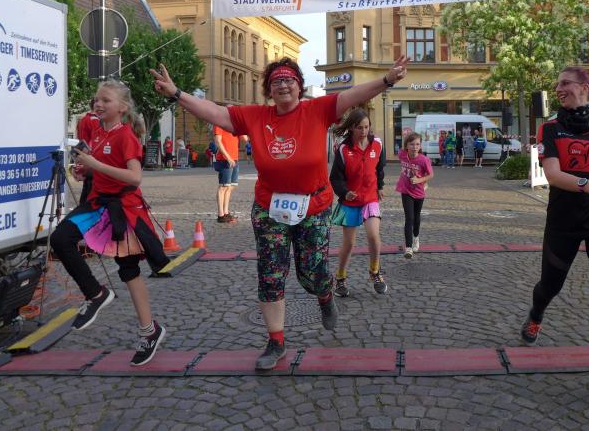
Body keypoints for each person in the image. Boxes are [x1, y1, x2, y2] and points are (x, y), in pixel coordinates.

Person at [152, 55, 409, 371]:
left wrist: (387, 80)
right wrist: (177, 94)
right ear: (269, 90)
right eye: (276, 81)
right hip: (270, 208)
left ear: (299, 86)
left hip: (313, 207)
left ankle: (325, 294)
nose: (283, 85)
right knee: (271, 274)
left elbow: (353, 95)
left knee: (311, 273)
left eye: (289, 80)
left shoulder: (317, 110)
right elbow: (216, 113)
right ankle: (276, 341)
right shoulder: (255, 116)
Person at [522, 67, 589, 411]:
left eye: (565, 83)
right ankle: (536, 313)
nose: (559, 88)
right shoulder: (551, 128)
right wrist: (587, 184)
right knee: (550, 285)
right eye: (557, 84)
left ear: (585, 87)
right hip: (563, 221)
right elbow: (553, 175)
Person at [50, 80, 170, 366]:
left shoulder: (126, 136)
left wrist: (96, 166)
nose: (98, 104)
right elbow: (100, 168)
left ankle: (149, 331)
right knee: (60, 238)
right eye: (97, 100)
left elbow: (135, 177)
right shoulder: (98, 132)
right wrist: (85, 173)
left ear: (122, 107)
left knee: (129, 271)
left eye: (106, 100)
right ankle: (95, 293)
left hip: (122, 208)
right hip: (98, 203)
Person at [329, 109, 387, 297]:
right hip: (350, 202)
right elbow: (335, 178)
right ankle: (340, 277)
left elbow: (380, 167)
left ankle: (375, 272)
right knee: (349, 244)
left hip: (370, 198)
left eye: (367, 127)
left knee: (373, 236)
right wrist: (345, 192)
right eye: (360, 128)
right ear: (352, 128)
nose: (364, 131)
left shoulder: (377, 144)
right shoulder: (343, 150)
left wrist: (380, 185)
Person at [396, 132, 434, 259]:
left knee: (416, 218)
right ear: (406, 145)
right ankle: (408, 248)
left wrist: (419, 180)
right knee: (409, 218)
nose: (415, 147)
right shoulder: (402, 154)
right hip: (406, 191)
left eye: (417, 144)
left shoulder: (424, 160)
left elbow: (431, 175)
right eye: (412, 144)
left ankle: (416, 238)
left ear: (420, 146)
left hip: (418, 192)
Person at [213, 119, 240, 223]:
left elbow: (245, 138)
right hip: (225, 159)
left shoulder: (234, 124)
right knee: (223, 186)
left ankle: (226, 212)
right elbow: (217, 141)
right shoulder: (219, 123)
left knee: (230, 186)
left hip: (235, 158)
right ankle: (221, 215)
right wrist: (228, 157)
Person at [76, 97, 100, 204]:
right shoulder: (95, 121)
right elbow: (96, 141)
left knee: (86, 191)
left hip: (83, 156)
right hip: (92, 159)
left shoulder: (82, 120)